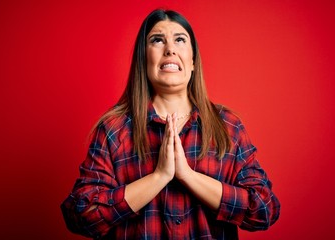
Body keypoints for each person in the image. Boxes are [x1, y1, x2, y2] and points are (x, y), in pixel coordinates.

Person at [61, 9, 280, 240]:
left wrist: (188, 176)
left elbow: (264, 210)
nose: (170, 49)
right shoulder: (113, 130)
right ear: (143, 58)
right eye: (157, 40)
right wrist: (159, 177)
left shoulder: (228, 127)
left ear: (193, 60)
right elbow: (81, 214)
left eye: (180, 39)